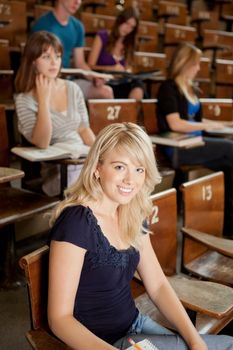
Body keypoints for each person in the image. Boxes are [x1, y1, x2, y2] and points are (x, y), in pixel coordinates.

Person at [48, 122, 233, 350]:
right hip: (103, 343)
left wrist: (195, 341)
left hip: (136, 326)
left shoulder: (132, 211)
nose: (130, 180)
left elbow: (157, 285)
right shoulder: (76, 222)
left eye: (139, 169)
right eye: (119, 167)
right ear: (97, 167)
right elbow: (60, 319)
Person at [156, 42, 233, 235]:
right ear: (184, 63)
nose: (198, 68)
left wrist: (221, 125)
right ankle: (229, 224)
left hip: (197, 143)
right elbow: (176, 124)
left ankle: (226, 222)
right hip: (179, 147)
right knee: (230, 150)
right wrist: (208, 126)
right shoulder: (169, 87)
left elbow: (195, 120)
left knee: (229, 167)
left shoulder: (191, 88)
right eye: (196, 64)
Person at [14, 31, 96, 197]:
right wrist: (43, 100)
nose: (54, 63)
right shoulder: (24, 99)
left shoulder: (72, 88)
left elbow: (84, 130)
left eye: (57, 56)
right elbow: (42, 142)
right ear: (33, 62)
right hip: (58, 172)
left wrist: (100, 157)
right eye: (46, 57)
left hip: (83, 160)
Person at [31, 0, 113, 100]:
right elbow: (37, 64)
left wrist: (94, 77)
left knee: (106, 92)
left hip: (69, 80)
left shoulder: (78, 26)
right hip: (47, 80)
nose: (77, 2)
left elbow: (80, 63)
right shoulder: (43, 24)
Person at [88, 6, 145, 100]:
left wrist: (126, 71)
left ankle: (132, 111)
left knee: (138, 84)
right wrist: (111, 69)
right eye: (126, 24)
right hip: (105, 82)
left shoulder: (129, 44)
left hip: (121, 83)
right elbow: (90, 66)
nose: (128, 29)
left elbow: (127, 68)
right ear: (120, 20)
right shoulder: (102, 36)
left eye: (132, 27)